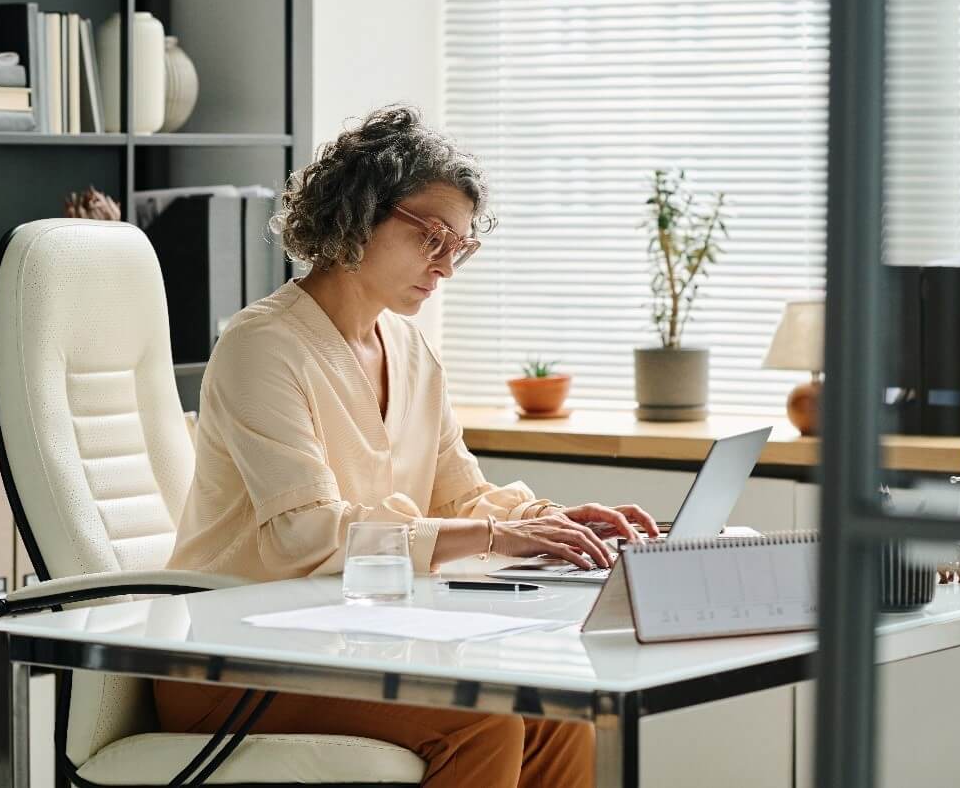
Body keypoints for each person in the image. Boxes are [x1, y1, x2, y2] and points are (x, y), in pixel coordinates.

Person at [162, 105, 660, 787]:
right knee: (480, 722)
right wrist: (494, 536)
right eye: (432, 238)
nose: (445, 267)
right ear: (357, 213)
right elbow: (304, 536)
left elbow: (461, 494)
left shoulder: (410, 349)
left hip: (349, 646)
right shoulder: (263, 347)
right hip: (235, 661)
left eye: (458, 247)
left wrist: (552, 524)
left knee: (557, 714)